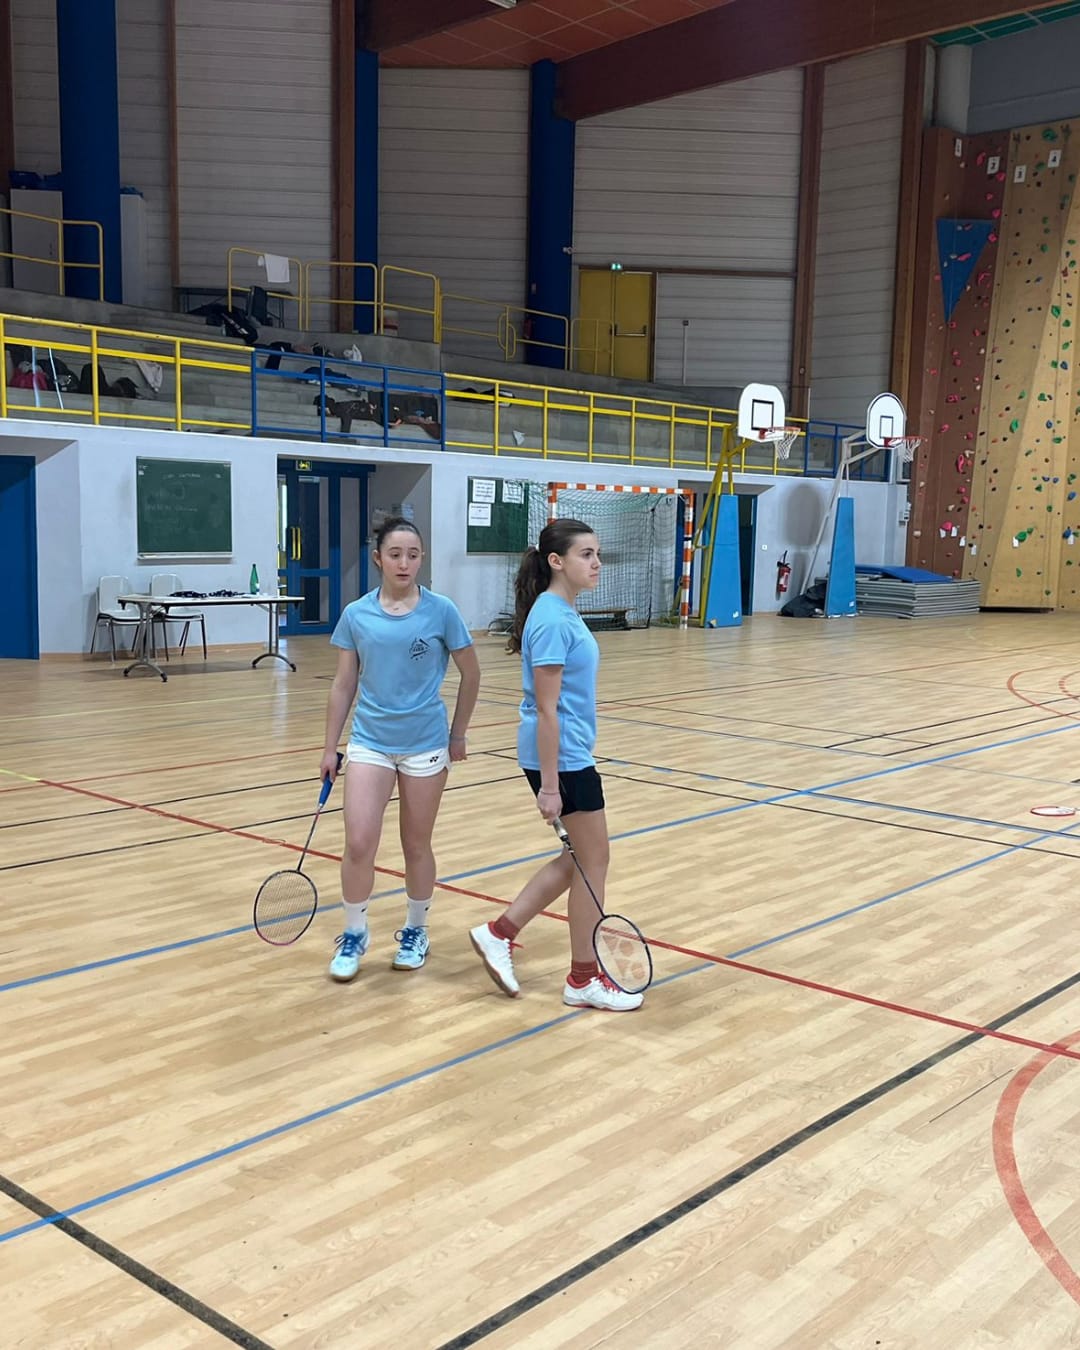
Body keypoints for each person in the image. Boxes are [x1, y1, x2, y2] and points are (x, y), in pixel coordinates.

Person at [468, 518, 643, 1012]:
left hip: (569, 753)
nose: (597, 563)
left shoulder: (561, 612)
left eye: (597, 554)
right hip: (561, 759)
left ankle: (499, 932)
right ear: (556, 561)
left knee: (581, 860)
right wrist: (549, 787)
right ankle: (583, 978)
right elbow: (546, 710)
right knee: (594, 863)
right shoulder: (550, 619)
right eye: (587, 554)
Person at [321, 517, 480, 981]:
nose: (404, 562)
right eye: (395, 554)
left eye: (412, 554)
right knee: (358, 843)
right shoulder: (356, 615)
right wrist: (330, 747)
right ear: (378, 559)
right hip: (370, 742)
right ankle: (354, 934)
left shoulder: (442, 611)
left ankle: (415, 930)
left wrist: (458, 734)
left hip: (424, 744)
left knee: (415, 844)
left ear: (421, 558)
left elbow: (472, 674)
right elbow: (343, 684)